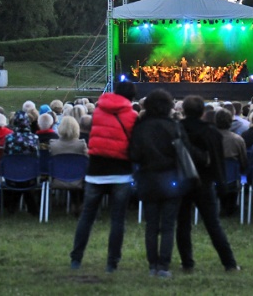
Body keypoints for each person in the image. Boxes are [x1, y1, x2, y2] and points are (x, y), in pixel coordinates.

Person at [129, 89, 200, 278]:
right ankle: (163, 266)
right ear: (169, 106)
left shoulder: (140, 128)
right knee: (168, 225)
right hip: (171, 181)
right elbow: (185, 152)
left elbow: (133, 154)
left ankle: (153, 264)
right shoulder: (174, 126)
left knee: (151, 225)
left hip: (148, 180)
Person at [70, 82, 137, 274]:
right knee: (117, 220)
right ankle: (112, 263)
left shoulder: (98, 112)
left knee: (87, 217)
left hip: (96, 170)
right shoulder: (131, 116)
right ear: (131, 97)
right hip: (121, 172)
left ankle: (76, 258)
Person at [177, 96, 240, 273]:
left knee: (183, 224)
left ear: (184, 110)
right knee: (213, 224)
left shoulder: (178, 129)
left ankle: (187, 263)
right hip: (204, 183)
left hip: (182, 181)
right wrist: (222, 185)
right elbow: (217, 161)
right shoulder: (211, 132)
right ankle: (229, 263)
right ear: (203, 112)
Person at [3, 111, 40, 215]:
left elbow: (5, 155)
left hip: (11, 173)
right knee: (25, 181)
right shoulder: (34, 138)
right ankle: (33, 209)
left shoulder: (9, 138)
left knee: (20, 180)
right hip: (30, 174)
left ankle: (12, 207)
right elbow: (37, 157)